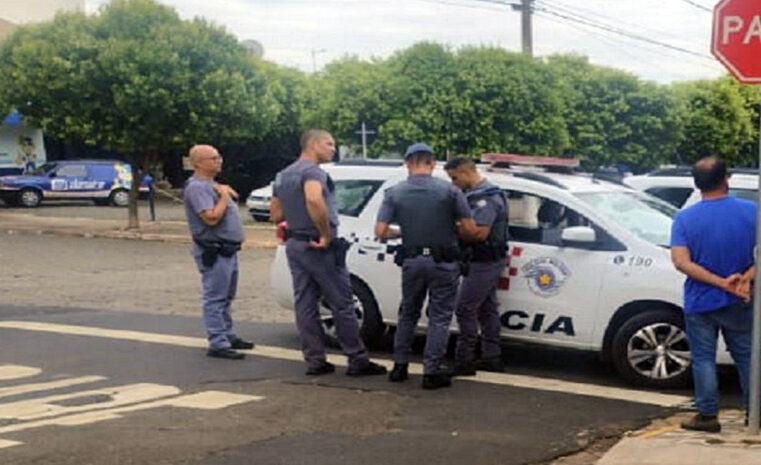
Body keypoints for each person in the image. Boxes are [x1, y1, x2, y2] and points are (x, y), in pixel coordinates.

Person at [270, 129, 387, 377]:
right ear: (313, 145)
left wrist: (296, 218)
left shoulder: (283, 175)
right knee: (342, 303)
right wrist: (324, 233)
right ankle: (357, 359)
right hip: (318, 246)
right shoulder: (313, 172)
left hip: (295, 244)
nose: (333, 148)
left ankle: (315, 360)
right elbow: (314, 199)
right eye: (329, 143)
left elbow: (276, 215)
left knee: (305, 303)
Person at [375, 143, 479, 390]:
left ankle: (399, 367)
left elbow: (380, 232)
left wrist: (406, 232)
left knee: (408, 313)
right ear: (433, 164)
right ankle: (431, 372)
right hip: (443, 262)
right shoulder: (451, 192)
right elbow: (470, 229)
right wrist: (449, 231)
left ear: (407, 163)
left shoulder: (394, 193)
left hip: (412, 261)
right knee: (439, 317)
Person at [670, 156, 756, 433]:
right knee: (746, 356)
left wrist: (720, 282)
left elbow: (681, 262)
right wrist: (745, 278)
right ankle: (754, 413)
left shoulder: (685, 218)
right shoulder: (752, 212)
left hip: (700, 300)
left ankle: (707, 416)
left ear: (697, 184)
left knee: (704, 358)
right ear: (726, 179)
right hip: (741, 298)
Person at [183, 145, 254, 360]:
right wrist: (224, 196)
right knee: (215, 297)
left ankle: (227, 334)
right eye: (213, 158)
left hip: (228, 250)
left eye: (219, 157)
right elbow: (210, 217)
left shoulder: (211, 185)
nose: (219, 161)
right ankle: (218, 342)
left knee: (226, 296)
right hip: (215, 250)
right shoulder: (197, 188)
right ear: (198, 163)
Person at [444, 157, 508, 376]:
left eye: (454, 178)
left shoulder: (485, 198)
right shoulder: (478, 194)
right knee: (487, 308)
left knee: (465, 308)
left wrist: (449, 228)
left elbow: (478, 234)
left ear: (466, 173)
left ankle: (464, 360)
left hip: (484, 259)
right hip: (483, 259)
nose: (453, 184)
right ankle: (492, 356)